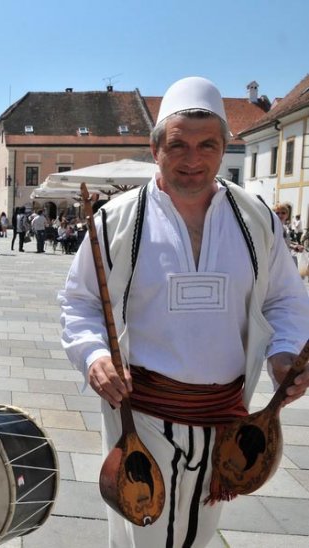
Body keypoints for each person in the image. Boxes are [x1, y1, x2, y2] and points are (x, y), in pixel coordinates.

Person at [59, 76, 309, 548]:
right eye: (178, 145)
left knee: (198, 535)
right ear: (157, 149)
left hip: (225, 419)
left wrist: (284, 352)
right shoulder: (117, 220)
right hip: (143, 415)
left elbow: (286, 299)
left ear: (222, 149)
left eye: (207, 145)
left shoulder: (256, 218)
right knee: (143, 535)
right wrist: (94, 357)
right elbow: (80, 302)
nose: (192, 159)